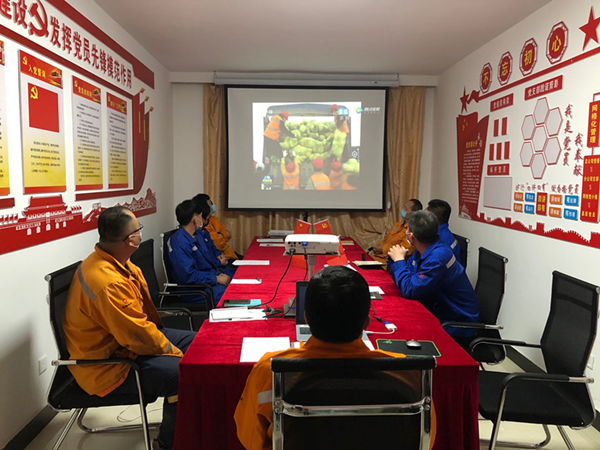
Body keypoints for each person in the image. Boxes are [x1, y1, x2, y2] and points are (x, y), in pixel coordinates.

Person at [234, 266, 435, 450]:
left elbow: (250, 439)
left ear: (306, 318)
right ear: (367, 323)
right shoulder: (409, 372)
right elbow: (426, 438)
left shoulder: (270, 371)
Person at [63, 206, 195, 450]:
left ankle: (196, 419)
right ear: (130, 240)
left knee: (201, 343)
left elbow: (139, 327)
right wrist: (176, 354)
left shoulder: (115, 261)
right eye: (138, 230)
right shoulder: (107, 282)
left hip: (128, 343)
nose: (140, 234)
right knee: (184, 373)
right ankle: (169, 443)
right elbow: (137, 336)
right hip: (109, 365)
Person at [388, 210, 479, 350]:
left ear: (411, 236)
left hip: (456, 324)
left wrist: (399, 260)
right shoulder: (424, 249)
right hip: (437, 310)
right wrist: (395, 260)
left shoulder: (438, 257)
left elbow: (410, 289)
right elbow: (409, 278)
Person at [167, 200, 231, 305]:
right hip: (195, 290)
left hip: (207, 280)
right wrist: (216, 279)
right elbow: (188, 276)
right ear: (196, 219)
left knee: (237, 282)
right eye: (201, 216)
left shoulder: (198, 234)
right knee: (231, 294)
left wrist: (218, 274)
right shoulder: (179, 241)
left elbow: (207, 262)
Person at [371, 199, 422, 265]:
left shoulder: (412, 230)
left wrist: (383, 249)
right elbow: (386, 240)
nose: (403, 209)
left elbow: (404, 250)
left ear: (413, 213)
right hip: (379, 257)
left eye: (406, 208)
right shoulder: (397, 225)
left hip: (389, 262)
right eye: (404, 207)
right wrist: (378, 247)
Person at [192, 193, 238, 260]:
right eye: (210, 203)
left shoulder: (213, 219)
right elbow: (218, 244)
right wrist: (220, 236)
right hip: (221, 257)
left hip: (227, 254)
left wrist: (221, 235)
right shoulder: (202, 227)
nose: (212, 205)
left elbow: (228, 234)